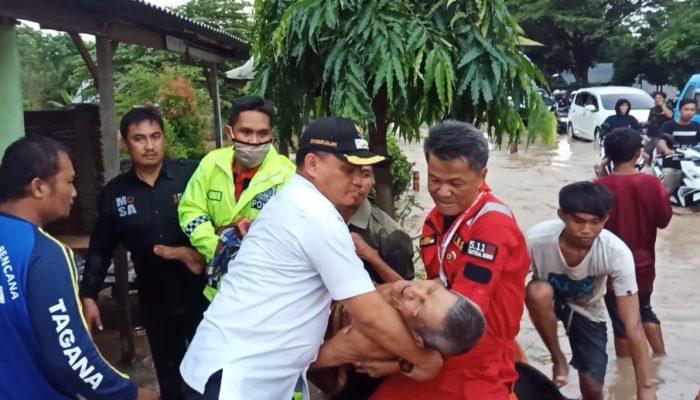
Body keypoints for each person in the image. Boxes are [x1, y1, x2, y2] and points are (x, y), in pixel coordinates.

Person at [179, 117, 443, 400]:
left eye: (363, 170)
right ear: (313, 165)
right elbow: (370, 314)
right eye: (347, 168)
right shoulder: (314, 215)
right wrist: (424, 359)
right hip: (232, 381)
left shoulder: (297, 200)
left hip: (242, 374)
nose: (358, 180)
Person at [371, 121, 532, 400]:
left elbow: (460, 316)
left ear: (481, 176)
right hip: (438, 344)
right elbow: (433, 285)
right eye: (435, 180)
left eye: (456, 183)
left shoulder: (492, 226)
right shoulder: (435, 221)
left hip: (477, 356)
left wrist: (403, 360)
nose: (443, 192)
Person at [0, 136, 158, 400]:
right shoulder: (44, 255)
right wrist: (133, 394)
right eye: (69, 182)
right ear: (39, 187)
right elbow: (70, 358)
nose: (74, 193)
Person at [79, 106, 206, 400]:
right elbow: (100, 249)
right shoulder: (115, 193)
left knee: (210, 372)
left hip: (202, 296)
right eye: (139, 139)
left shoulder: (192, 177)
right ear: (125, 142)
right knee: (170, 375)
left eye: (155, 136)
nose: (149, 146)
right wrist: (89, 295)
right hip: (154, 300)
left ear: (164, 138)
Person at [526, 182, 655, 400]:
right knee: (538, 291)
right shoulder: (535, 240)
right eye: (578, 221)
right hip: (545, 299)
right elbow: (506, 288)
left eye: (596, 222)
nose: (587, 230)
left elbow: (633, 324)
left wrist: (645, 387)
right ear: (562, 215)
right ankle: (559, 361)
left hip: (588, 307)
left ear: (606, 219)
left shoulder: (616, 253)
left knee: (593, 388)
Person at [178, 96, 295, 301]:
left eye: (262, 133)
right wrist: (215, 246)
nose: (254, 141)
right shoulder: (211, 163)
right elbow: (191, 209)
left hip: (266, 290)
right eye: (246, 132)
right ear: (229, 132)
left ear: (272, 135)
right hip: (218, 290)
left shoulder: (287, 175)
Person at [309, 279, 485, 391]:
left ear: (416, 337)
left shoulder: (368, 340)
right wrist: (402, 365)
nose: (413, 292)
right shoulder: (404, 299)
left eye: (418, 306)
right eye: (431, 290)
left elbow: (306, 361)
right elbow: (432, 364)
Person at [596, 128, 672, 358]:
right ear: (638, 153)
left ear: (607, 156)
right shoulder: (652, 184)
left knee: (621, 324)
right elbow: (664, 221)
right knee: (645, 310)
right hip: (644, 264)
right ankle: (660, 359)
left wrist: (601, 174)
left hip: (610, 268)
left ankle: (626, 375)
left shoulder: (598, 188)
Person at [342, 165, 415, 284]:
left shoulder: (390, 235)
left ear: (372, 179)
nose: (357, 182)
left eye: (365, 174)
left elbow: (408, 293)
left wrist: (371, 256)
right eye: (348, 171)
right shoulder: (319, 217)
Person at [656, 98, 700, 195]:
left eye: (692, 110)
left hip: (692, 165)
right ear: (680, 110)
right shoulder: (669, 125)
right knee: (666, 191)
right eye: (686, 109)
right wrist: (667, 150)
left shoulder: (696, 126)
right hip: (673, 164)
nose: (689, 112)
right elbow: (661, 141)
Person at [644, 91, 674, 157]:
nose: (657, 99)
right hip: (651, 135)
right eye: (656, 98)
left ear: (664, 99)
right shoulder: (653, 109)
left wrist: (662, 105)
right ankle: (649, 165)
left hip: (661, 135)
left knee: (660, 154)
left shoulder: (668, 107)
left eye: (660, 98)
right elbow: (649, 121)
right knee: (646, 152)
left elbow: (670, 115)